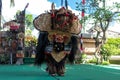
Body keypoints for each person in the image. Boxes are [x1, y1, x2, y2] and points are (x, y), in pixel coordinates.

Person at [34, 3, 81, 76]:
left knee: (62, 59)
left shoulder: (68, 36)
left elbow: (68, 44)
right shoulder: (50, 33)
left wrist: (67, 49)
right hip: (52, 45)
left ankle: (60, 69)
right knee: (50, 58)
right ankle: (52, 69)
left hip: (63, 46)